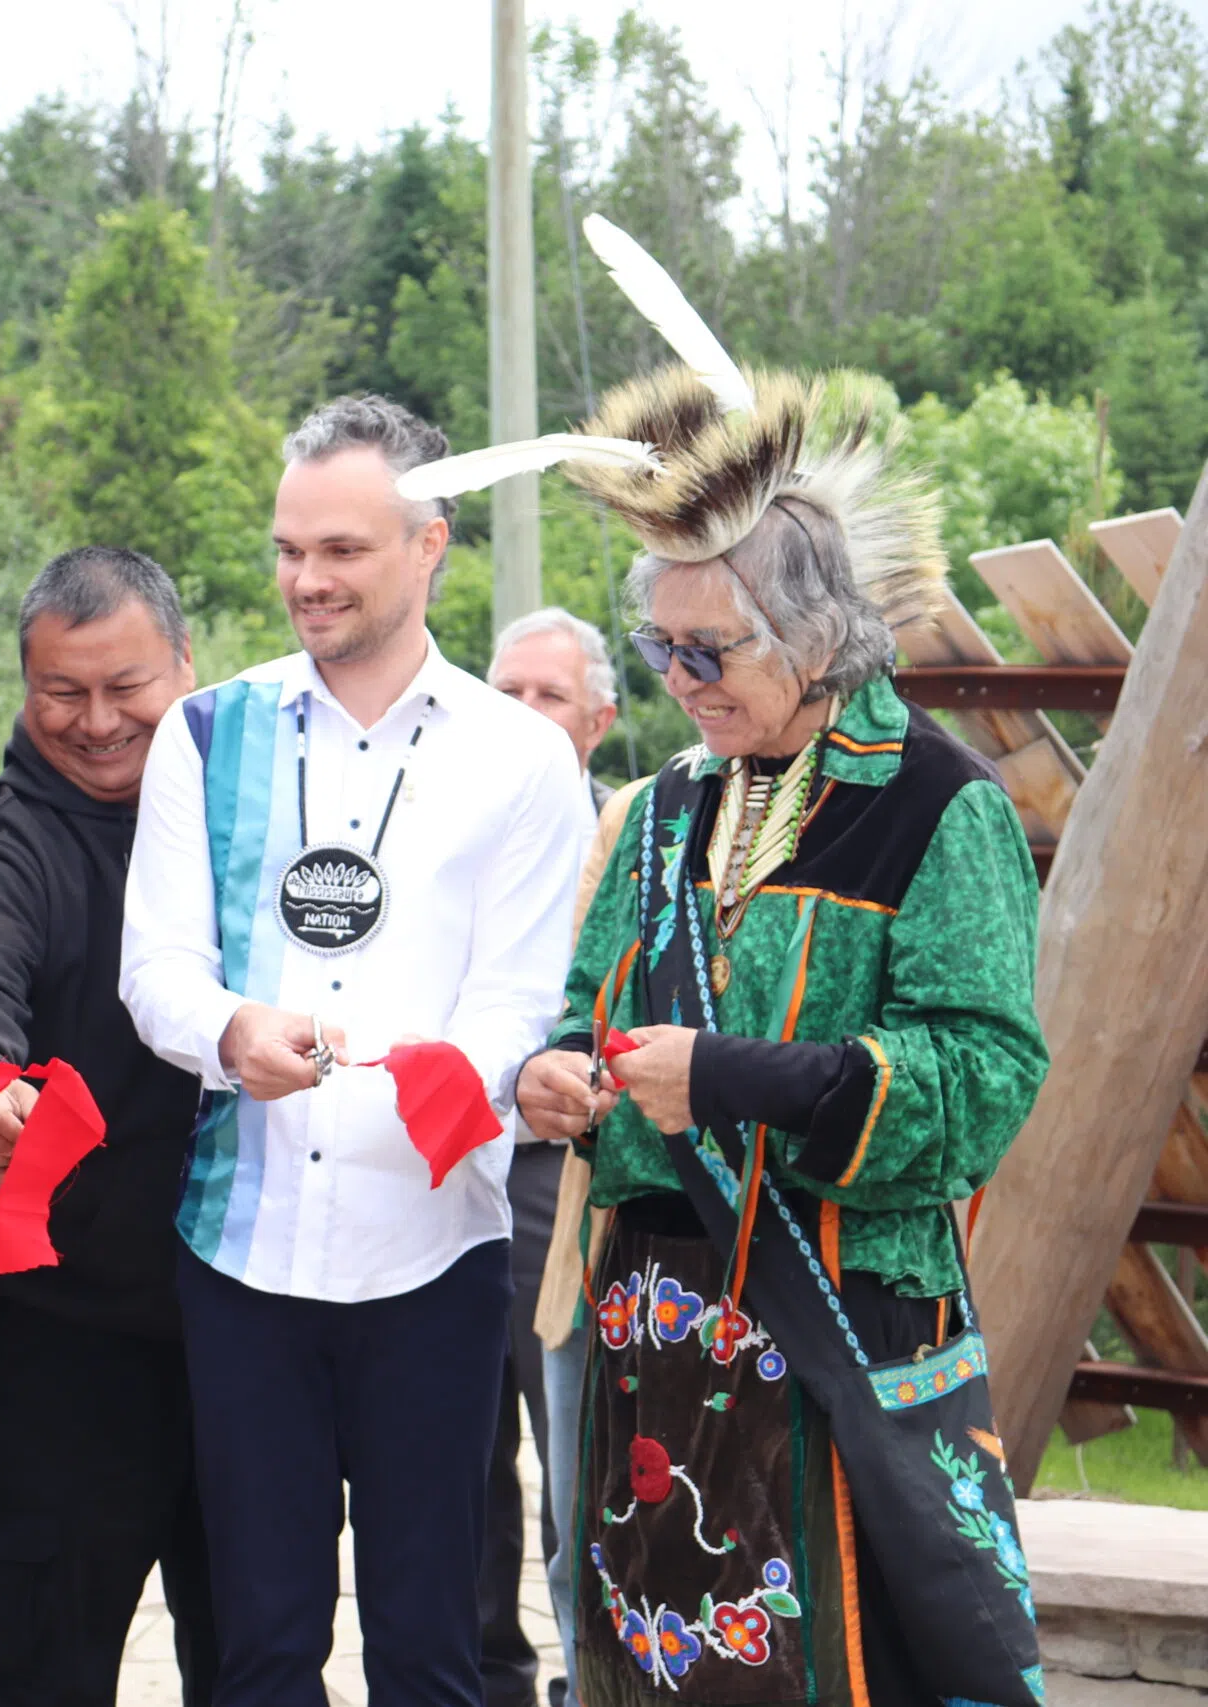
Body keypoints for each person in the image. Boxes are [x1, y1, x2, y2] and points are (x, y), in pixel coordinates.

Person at [433, 321, 1047, 1700]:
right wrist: (557, 1077)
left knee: (852, 1661)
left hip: (838, 1325)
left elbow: (988, 1074)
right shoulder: (657, 813)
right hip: (655, 1344)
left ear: (816, 637)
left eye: (711, 653)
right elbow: (589, 1009)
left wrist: (734, 1076)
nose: (683, 684)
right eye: (663, 652)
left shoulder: (939, 809)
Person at [121, 395, 593, 1706]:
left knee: (432, 1646)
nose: (306, 579)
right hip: (240, 1255)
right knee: (259, 1647)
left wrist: (439, 1066)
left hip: (435, 1253)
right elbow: (153, 968)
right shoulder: (208, 733)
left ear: (430, 543)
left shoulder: (522, 758)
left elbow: (521, 999)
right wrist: (231, 1028)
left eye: (342, 549)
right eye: (288, 549)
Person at [0, 546, 218, 1707]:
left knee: (261, 1664)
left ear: (186, 664)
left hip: (247, 1333)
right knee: (39, 1673)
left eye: (126, 686)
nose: (94, 722)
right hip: (60, 1342)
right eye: (60, 691)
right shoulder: (7, 842)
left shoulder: (256, 826)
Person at [480, 607, 621, 1707]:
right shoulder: (445, 828)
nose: (523, 715)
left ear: (601, 720)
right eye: (506, 691)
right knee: (454, 1460)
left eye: (550, 696)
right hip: (445, 1173)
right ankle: (483, 1678)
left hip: (568, 1184)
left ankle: (594, 1675)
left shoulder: (629, 842)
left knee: (579, 1460)